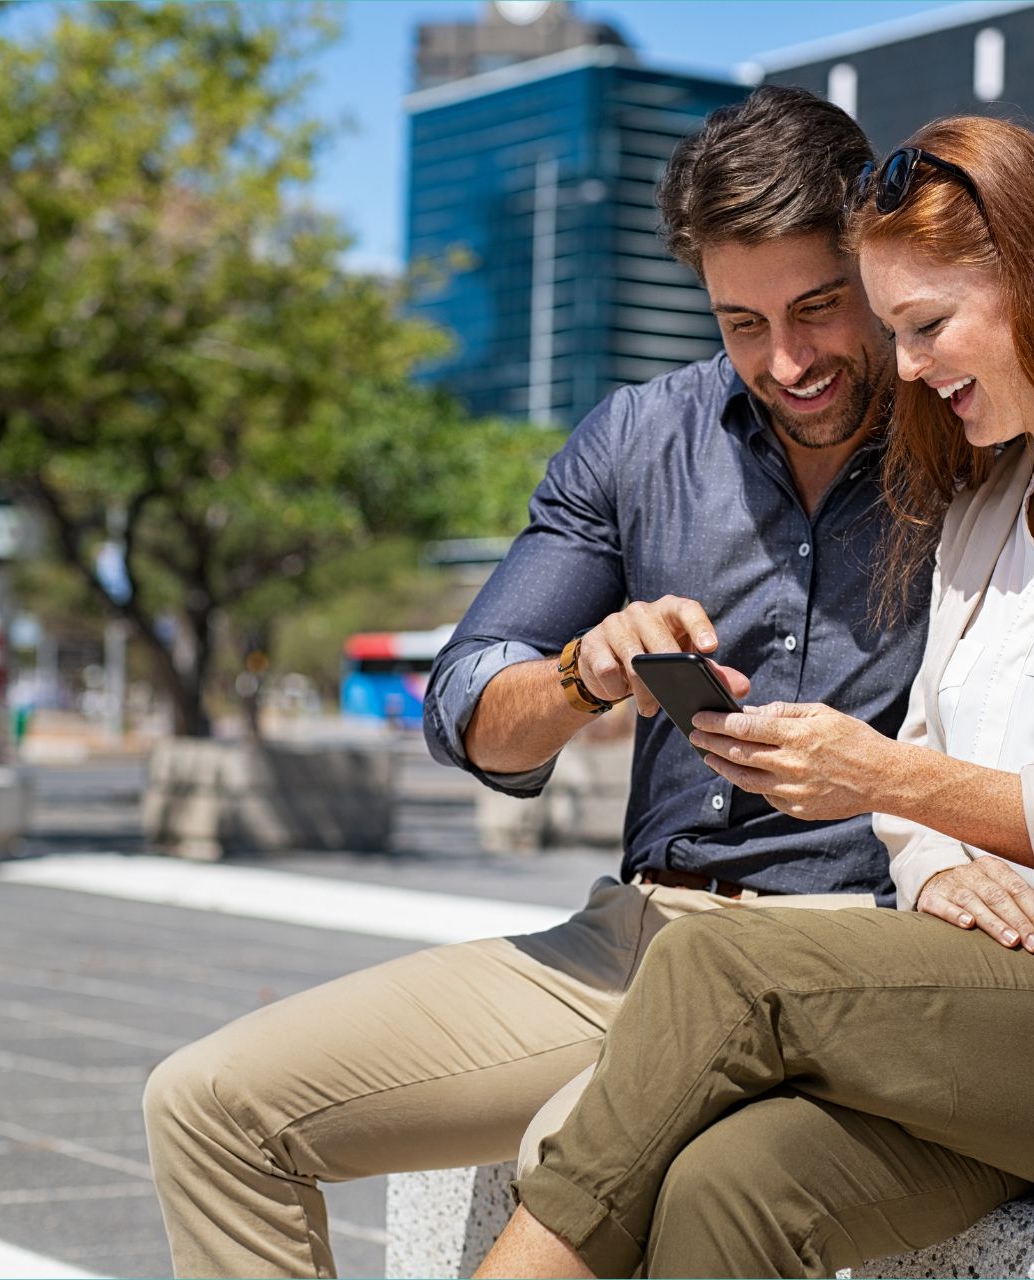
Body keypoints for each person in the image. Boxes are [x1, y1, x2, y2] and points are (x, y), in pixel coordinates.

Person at [477, 114, 1034, 1279]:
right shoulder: (986, 500)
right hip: (1012, 993)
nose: (904, 366)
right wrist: (935, 860)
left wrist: (884, 779)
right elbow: (926, 771)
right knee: (729, 1185)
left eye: (928, 324)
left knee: (720, 966)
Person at [140, 86, 932, 1279]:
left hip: (852, 954)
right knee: (207, 1105)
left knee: (580, 1164)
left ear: (874, 263)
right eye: (742, 323)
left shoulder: (974, 429)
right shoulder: (639, 439)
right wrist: (585, 669)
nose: (789, 359)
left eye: (820, 309)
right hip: (640, 939)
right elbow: (467, 707)